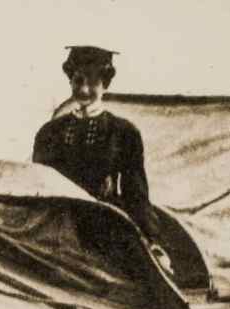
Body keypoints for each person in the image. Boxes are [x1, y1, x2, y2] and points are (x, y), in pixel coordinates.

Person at [33, 46, 161, 245]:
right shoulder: (49, 132)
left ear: (105, 85)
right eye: (78, 80)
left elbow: (135, 194)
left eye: (93, 82)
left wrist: (152, 240)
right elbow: (37, 187)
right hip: (54, 223)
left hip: (102, 225)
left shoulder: (124, 132)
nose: (84, 90)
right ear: (70, 81)